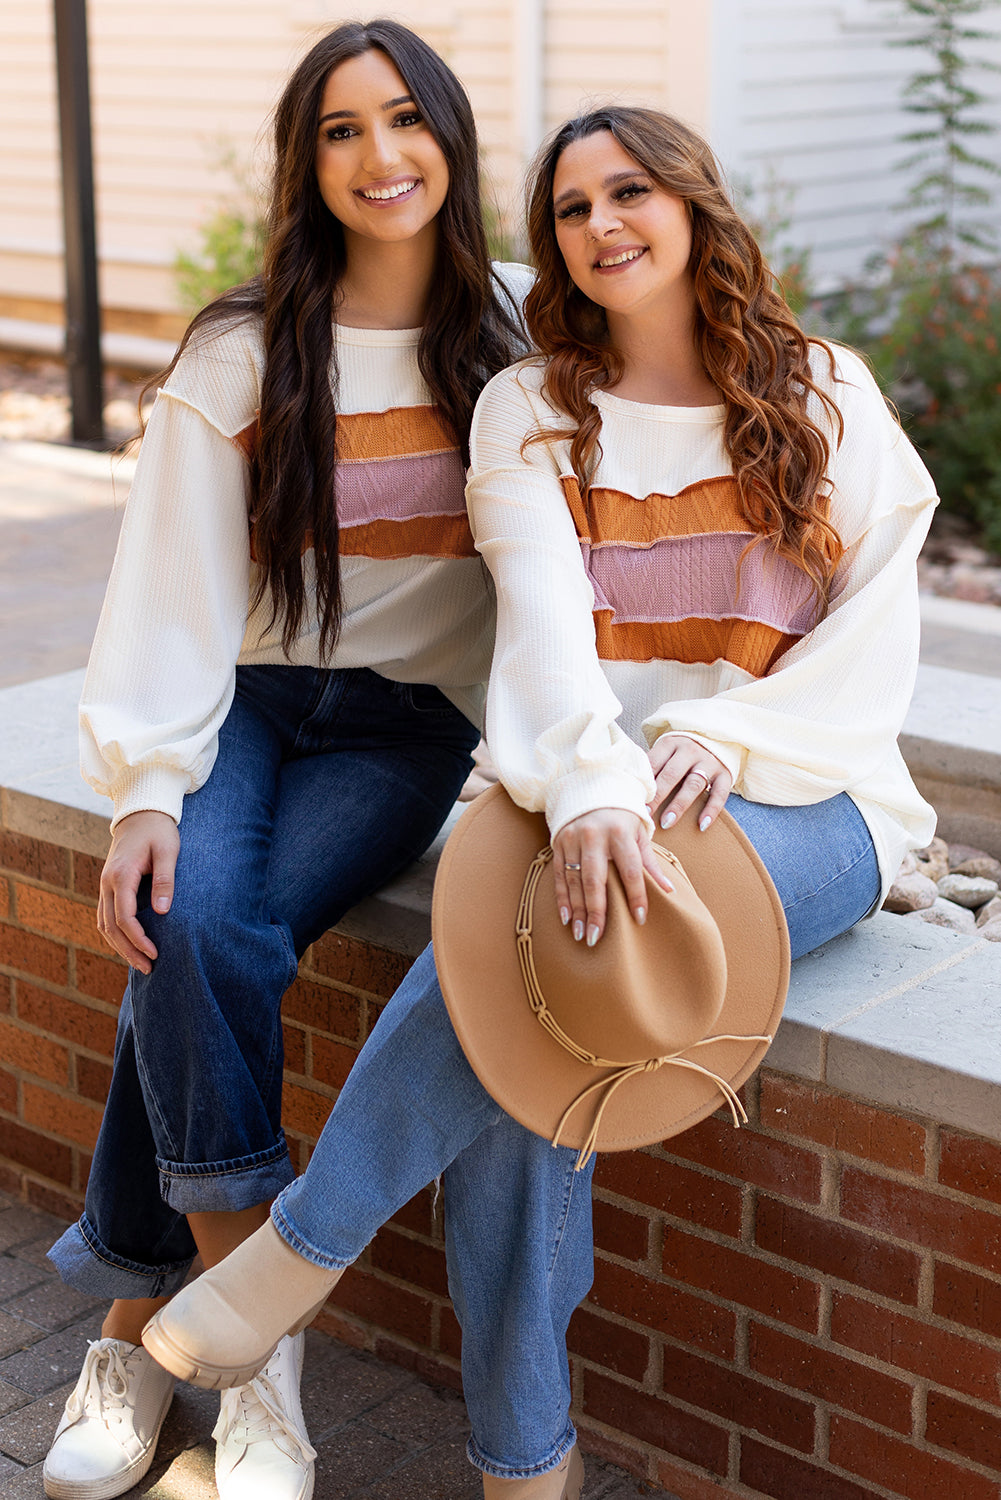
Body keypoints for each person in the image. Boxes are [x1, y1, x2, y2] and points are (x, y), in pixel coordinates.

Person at [134, 106, 938, 1500]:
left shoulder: (828, 395)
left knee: (540, 971)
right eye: (569, 208)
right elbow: (547, 635)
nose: (602, 224)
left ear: (693, 205)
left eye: (630, 191)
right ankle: (527, 1467)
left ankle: (300, 1255)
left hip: (816, 802)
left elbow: (872, 644)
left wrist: (725, 737)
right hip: (587, 806)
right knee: (524, 1059)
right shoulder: (531, 411)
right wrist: (590, 787)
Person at [42, 20, 540, 1500]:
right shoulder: (246, 345)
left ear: (448, 140)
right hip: (249, 701)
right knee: (189, 916)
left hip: (407, 722)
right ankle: (257, 1358)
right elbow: (172, 587)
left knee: (209, 938)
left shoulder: (519, 330)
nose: (378, 157)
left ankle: (139, 1336)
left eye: (404, 123)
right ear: (303, 158)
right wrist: (145, 787)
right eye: (339, 130)